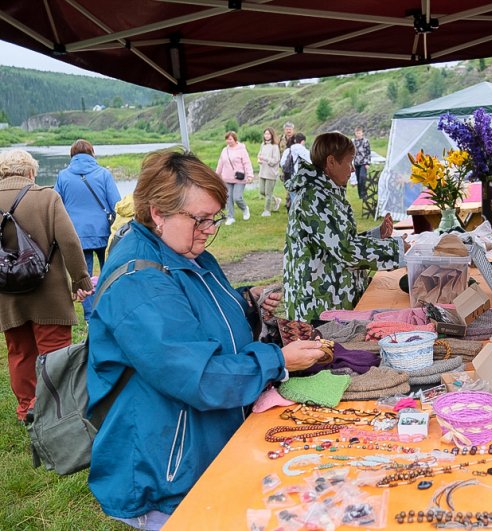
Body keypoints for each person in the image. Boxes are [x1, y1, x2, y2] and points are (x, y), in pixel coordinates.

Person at [86, 150, 325, 529]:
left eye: (214, 219)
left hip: (201, 442)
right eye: (199, 219)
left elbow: (200, 319)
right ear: (158, 213)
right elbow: (201, 376)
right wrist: (279, 361)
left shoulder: (187, 253)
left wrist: (246, 301)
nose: (208, 230)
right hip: (167, 465)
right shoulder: (140, 282)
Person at [0, 149, 93, 423]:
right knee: (55, 354)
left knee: (19, 352)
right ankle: (55, 409)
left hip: (7, 295)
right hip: (48, 293)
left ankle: (27, 408)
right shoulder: (47, 197)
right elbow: (70, 242)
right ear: (31, 172)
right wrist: (80, 280)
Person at [283, 132, 406, 322]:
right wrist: (398, 249)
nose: (351, 170)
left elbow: (338, 240)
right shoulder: (315, 198)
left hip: (329, 298)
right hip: (317, 307)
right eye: (349, 162)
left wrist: (377, 235)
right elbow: (346, 251)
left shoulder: (324, 192)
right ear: (331, 162)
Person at [54, 139, 121, 320]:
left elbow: (56, 206)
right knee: (110, 271)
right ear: (92, 153)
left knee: (84, 276)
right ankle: (110, 309)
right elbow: (117, 204)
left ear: (72, 155)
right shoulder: (104, 174)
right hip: (104, 231)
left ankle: (91, 316)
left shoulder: (63, 176)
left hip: (77, 234)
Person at [215, 131, 254, 226]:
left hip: (239, 178)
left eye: (230, 139)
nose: (228, 141)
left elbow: (247, 163)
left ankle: (245, 209)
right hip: (227, 178)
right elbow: (221, 163)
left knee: (237, 197)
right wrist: (216, 175)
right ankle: (230, 217)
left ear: (235, 139)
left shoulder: (242, 150)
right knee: (229, 198)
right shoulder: (224, 150)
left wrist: (250, 175)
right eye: (227, 139)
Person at [280, 133, 311, 208]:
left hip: (290, 177)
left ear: (294, 140)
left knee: (293, 195)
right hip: (302, 177)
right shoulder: (306, 152)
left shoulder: (288, 150)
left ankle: (295, 214)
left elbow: (282, 163)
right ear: (303, 141)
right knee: (303, 196)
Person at [257, 127, 282, 216]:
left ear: (272, 135)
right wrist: (259, 160)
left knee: (268, 193)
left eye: (268, 134)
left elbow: (275, 160)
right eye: (265, 134)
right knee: (262, 192)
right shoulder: (262, 145)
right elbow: (259, 155)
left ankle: (267, 211)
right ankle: (276, 200)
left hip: (271, 173)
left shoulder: (275, 146)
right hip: (262, 171)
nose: (266, 135)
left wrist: (265, 159)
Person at [352, 126, 371, 200]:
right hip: (356, 163)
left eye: (359, 133)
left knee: (362, 179)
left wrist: (367, 163)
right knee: (358, 180)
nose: (358, 134)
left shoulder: (365, 141)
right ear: (355, 133)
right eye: (357, 133)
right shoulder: (353, 141)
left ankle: (364, 194)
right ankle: (360, 195)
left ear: (362, 133)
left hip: (363, 163)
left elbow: (368, 153)